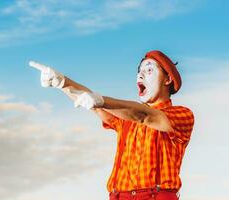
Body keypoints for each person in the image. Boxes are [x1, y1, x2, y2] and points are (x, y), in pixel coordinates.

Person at [30, 50, 195, 200]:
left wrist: (102, 101)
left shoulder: (181, 115)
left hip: (155, 196)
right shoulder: (125, 116)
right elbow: (93, 104)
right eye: (139, 71)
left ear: (168, 79)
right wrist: (63, 83)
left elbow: (145, 116)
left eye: (149, 70)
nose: (140, 76)